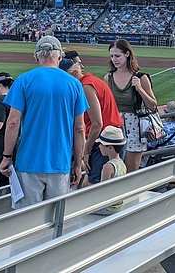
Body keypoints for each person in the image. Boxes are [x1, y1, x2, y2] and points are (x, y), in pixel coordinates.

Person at [0, 35, 89, 209]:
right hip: (60, 162)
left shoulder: (24, 80)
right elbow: (79, 129)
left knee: (26, 220)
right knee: (56, 219)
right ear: (60, 56)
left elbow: (13, 123)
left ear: (36, 56)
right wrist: (78, 164)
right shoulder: (74, 84)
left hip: (29, 162)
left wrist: (6, 157)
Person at [62, 51, 123, 185]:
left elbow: (97, 124)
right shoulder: (90, 82)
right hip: (107, 135)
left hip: (104, 138)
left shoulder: (86, 86)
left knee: (97, 182)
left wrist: (86, 151)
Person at [106, 38, 157, 173]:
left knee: (130, 171)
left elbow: (153, 106)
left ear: (127, 54)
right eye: (112, 56)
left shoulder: (140, 77)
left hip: (134, 127)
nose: (114, 59)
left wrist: (139, 89)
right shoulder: (108, 78)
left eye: (117, 56)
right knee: (114, 169)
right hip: (115, 126)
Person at [93, 126, 128, 215]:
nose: (99, 146)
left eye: (101, 144)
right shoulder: (122, 164)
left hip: (108, 208)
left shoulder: (108, 167)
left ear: (110, 147)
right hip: (119, 205)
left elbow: (103, 191)